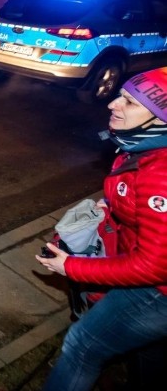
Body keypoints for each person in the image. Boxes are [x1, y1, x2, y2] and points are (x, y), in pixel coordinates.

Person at [36, 66, 167, 391]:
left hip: (157, 293)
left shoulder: (161, 175)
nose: (112, 104)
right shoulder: (146, 147)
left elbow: (156, 265)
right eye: (121, 95)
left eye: (130, 102)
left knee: (82, 345)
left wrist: (72, 267)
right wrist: (112, 205)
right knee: (149, 348)